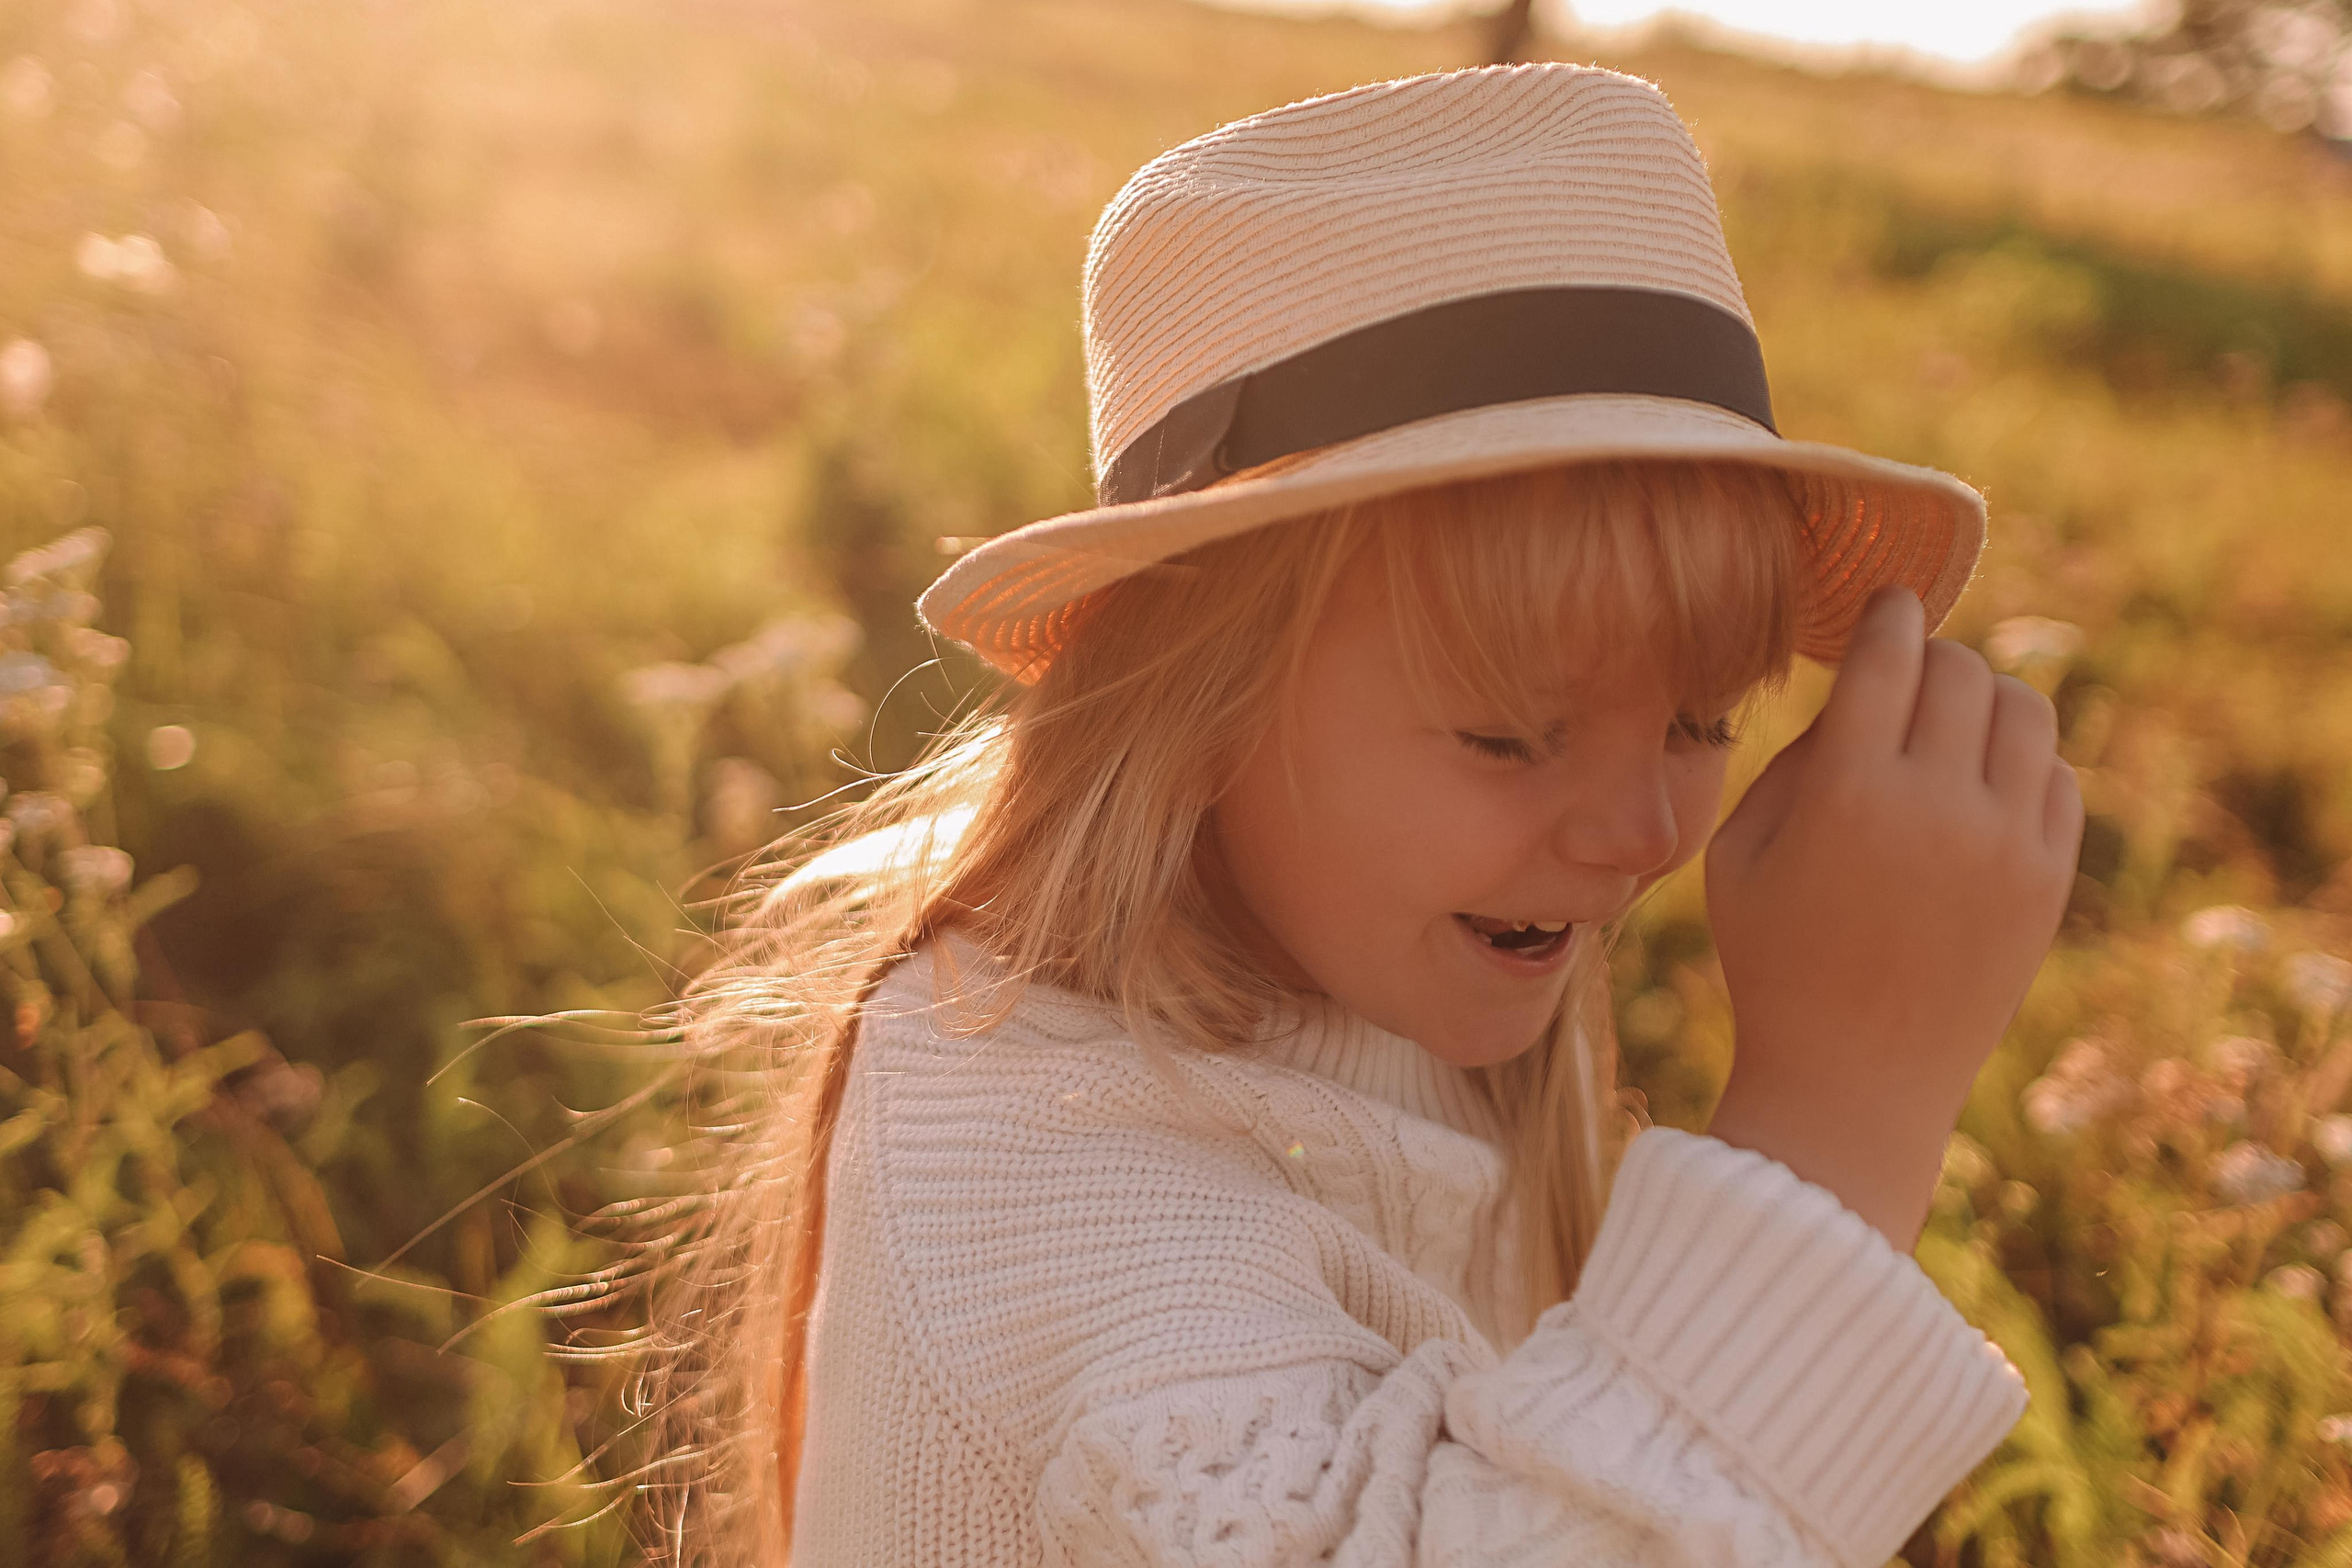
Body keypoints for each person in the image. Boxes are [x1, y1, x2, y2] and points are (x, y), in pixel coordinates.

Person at [637, 61, 2083, 1567]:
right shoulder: (1028, 1147)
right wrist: (1841, 1113)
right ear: (1190, 701)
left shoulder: (1363, 979)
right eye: (1510, 734)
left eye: (1703, 718)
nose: (1646, 832)